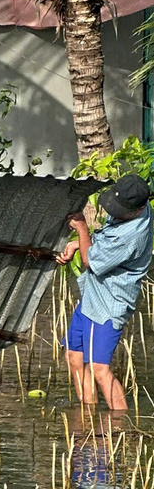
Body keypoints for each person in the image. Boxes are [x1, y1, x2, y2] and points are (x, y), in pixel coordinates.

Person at [57, 173, 154, 411]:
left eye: (120, 210)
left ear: (138, 209)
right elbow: (102, 241)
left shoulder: (133, 235)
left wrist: (81, 228)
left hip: (109, 305)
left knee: (99, 369)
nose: (114, 212)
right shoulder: (138, 206)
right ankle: (87, 418)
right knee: (73, 356)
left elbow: (92, 261)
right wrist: (76, 243)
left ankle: (121, 426)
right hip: (92, 296)